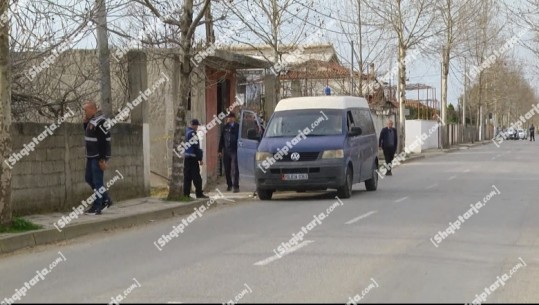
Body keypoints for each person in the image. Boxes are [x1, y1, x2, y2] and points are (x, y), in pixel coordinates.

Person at [82, 101, 113, 215]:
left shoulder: (101, 121)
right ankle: (106, 199)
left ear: (93, 109)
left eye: (86, 110)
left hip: (98, 156)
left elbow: (103, 142)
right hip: (91, 155)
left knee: (97, 181)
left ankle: (97, 207)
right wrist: (85, 123)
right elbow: (89, 134)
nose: (84, 112)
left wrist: (102, 159)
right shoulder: (92, 120)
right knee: (88, 178)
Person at [183, 119, 209, 199]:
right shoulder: (193, 134)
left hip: (186, 158)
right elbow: (196, 148)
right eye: (197, 126)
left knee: (187, 177)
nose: (197, 127)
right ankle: (199, 194)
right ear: (194, 125)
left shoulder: (185, 132)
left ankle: (186, 194)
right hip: (193, 158)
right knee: (197, 177)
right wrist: (200, 159)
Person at [219, 112, 240, 193]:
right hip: (226, 150)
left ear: (234, 118)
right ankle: (229, 185)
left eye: (231, 117)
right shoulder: (225, 127)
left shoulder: (238, 126)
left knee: (235, 169)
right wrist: (219, 150)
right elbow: (221, 139)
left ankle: (236, 186)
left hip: (234, 150)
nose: (230, 119)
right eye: (229, 117)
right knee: (227, 169)